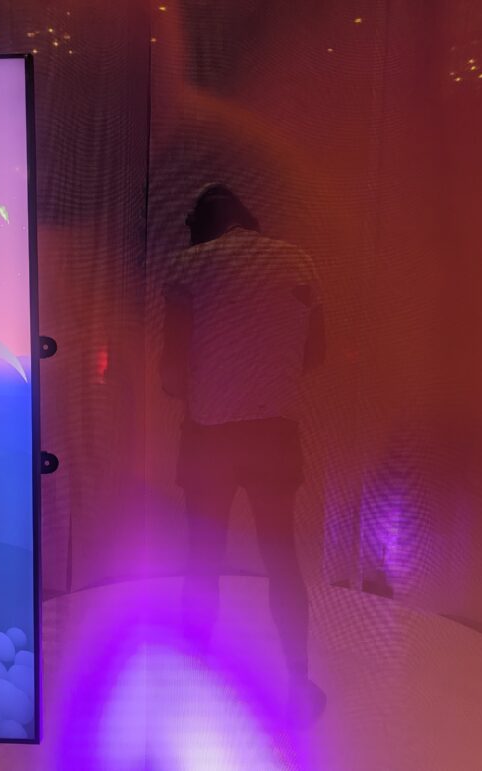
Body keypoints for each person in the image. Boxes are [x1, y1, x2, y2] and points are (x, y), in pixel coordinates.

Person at [161, 183, 326, 723]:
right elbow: (316, 353)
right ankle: (298, 682)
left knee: (202, 560)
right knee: (283, 560)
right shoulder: (298, 262)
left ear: (201, 224)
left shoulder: (188, 267)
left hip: (209, 437)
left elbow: (170, 375)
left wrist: (210, 380)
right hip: (274, 433)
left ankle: (192, 682)